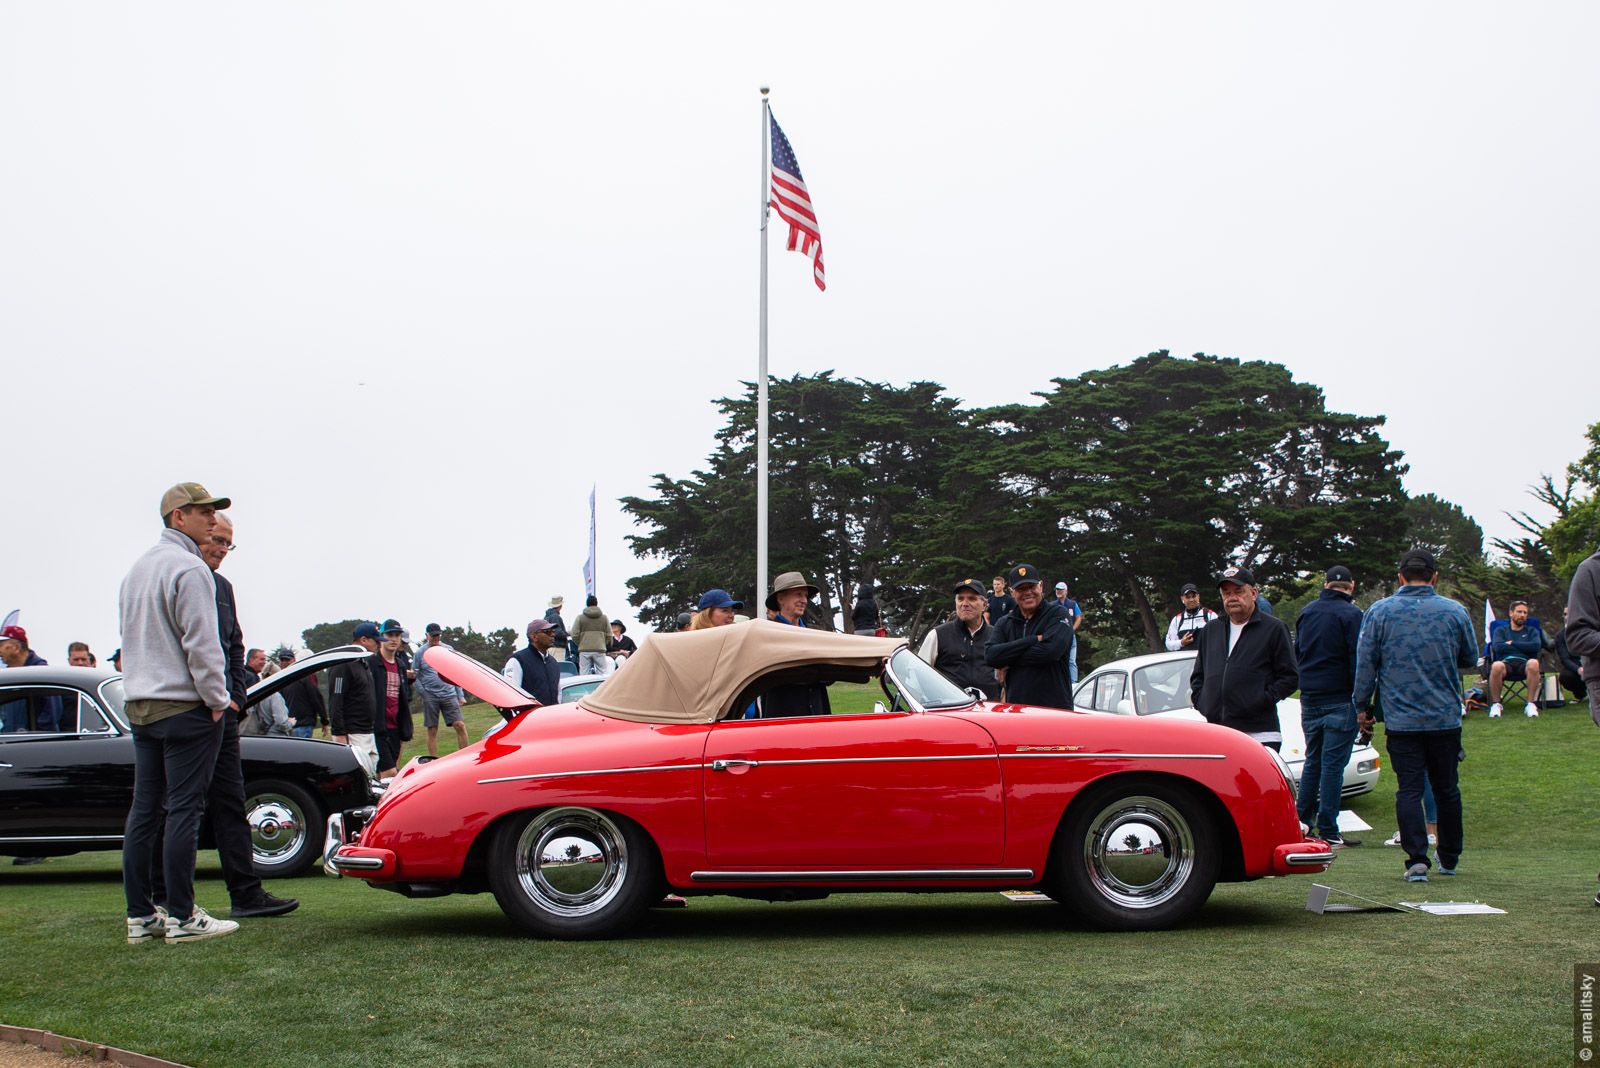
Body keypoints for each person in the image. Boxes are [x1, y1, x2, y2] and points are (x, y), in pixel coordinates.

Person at [117, 481, 238, 943]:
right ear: (177, 517)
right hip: (185, 705)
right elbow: (203, 645)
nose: (211, 519)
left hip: (142, 704)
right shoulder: (189, 568)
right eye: (202, 511)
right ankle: (183, 916)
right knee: (184, 809)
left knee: (145, 810)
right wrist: (216, 699)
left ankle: (141, 916)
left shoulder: (137, 569)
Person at [188, 514, 299, 918]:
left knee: (232, 803)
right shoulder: (181, 577)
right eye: (216, 539)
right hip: (190, 713)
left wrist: (235, 699)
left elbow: (234, 646)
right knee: (181, 807)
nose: (220, 549)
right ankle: (171, 901)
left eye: (227, 544)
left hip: (224, 715)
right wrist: (212, 699)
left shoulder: (222, 587)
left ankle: (245, 893)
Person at [1352, 547, 1478, 883]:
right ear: (1435, 576)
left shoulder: (1380, 612)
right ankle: (1449, 856)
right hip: (1444, 717)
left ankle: (1416, 859)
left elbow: (1365, 665)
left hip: (1402, 719)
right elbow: (1470, 655)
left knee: (1408, 789)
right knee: (1447, 788)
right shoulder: (1455, 611)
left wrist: (1362, 707)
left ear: (1400, 576)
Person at [1292, 565, 1364, 847]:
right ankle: (1329, 828)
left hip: (1310, 695)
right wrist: (1362, 700)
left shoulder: (1308, 611)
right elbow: (1356, 658)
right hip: (1339, 696)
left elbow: (1298, 651)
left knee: (1313, 761)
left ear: (1325, 584)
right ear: (1351, 585)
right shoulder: (1352, 614)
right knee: (1333, 765)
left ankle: (1301, 822)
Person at [1189, 566, 1298, 751]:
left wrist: (1259, 700)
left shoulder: (1274, 629)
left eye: (1238, 591)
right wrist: (1203, 702)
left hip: (1260, 733)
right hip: (1218, 732)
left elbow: (1289, 677)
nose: (1232, 597)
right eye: (1226, 593)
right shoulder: (1211, 630)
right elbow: (1199, 675)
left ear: (1254, 593)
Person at [984, 564, 1073, 710]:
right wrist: (1032, 640)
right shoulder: (1005, 622)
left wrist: (1008, 658)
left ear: (1041, 586)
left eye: (1031, 587)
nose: (1028, 592)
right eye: (1021, 589)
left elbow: (1051, 652)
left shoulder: (1058, 614)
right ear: (1012, 592)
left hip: (1056, 711)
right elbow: (990, 656)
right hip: (1017, 712)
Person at [759, 571, 831, 717]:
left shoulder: (815, 635)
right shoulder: (769, 636)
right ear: (781, 599)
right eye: (798, 594)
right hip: (783, 719)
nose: (804, 600)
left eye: (805, 595)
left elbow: (829, 676)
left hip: (817, 717)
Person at [918, 578, 1000, 700]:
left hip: (989, 713)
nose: (965, 603)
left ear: (985, 605)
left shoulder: (997, 637)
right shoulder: (937, 635)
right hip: (948, 713)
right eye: (960, 599)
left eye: (972, 598)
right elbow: (919, 674)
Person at [329, 622, 381, 778]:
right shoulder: (343, 664)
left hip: (367, 733)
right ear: (364, 640)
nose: (379, 645)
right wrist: (340, 735)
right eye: (376, 641)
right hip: (352, 734)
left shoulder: (363, 663)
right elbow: (336, 701)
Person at [414, 622, 469, 757]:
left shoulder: (448, 649)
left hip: (449, 694)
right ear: (427, 636)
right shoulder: (420, 652)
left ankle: (464, 756)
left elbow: (454, 673)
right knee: (432, 729)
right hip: (430, 695)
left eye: (438, 635)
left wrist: (460, 695)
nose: (436, 638)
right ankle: (433, 760)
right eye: (433, 636)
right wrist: (424, 693)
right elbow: (415, 675)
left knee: (460, 725)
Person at [1487, 599, 1544, 718]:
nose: (1522, 615)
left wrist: (1512, 643)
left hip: (1525, 664)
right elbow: (1498, 647)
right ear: (1511, 613)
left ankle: (1530, 704)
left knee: (1534, 663)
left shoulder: (1532, 631)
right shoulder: (1500, 630)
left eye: (1525, 613)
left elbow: (1536, 646)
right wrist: (1524, 647)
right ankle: (1496, 704)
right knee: (1496, 665)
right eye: (1519, 612)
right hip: (1506, 663)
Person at [372, 620, 414, 778]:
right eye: (390, 635)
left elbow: (403, 697)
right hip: (378, 728)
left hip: (396, 727)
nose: (394, 639)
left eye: (397, 635)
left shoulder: (401, 665)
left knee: (380, 774)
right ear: (381, 637)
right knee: (389, 772)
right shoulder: (372, 663)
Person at [0, 626, 60, 732]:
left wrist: (35, 734)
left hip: (35, 744)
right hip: (12, 743)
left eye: (1, 646)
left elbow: (51, 713)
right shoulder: (9, 676)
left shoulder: (40, 674)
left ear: (16, 648)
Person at [504, 619, 560, 707]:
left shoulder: (553, 662)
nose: (553, 635)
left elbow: (558, 694)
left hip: (552, 717)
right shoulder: (518, 660)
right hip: (530, 719)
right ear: (534, 636)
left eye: (553, 631)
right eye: (547, 632)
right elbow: (511, 695)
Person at [279, 648, 327, 739]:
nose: (284, 662)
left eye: (286, 660)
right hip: (304, 723)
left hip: (289, 725)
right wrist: (324, 720)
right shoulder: (307, 676)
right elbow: (316, 698)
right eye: (282, 660)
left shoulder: (282, 680)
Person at [1164, 584, 1217, 651]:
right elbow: (1168, 644)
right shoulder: (1177, 620)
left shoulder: (1210, 615)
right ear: (1182, 599)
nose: (1191, 600)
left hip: (1206, 659)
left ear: (1198, 596)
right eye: (1188, 597)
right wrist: (1181, 642)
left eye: (1193, 596)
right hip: (1185, 660)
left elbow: (1220, 639)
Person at [1553, 606, 1588, 705]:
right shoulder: (1560, 636)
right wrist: (1579, 669)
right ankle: (1580, 694)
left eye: (1570, 613)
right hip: (1576, 667)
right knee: (1566, 676)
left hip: (1592, 663)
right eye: (1565, 614)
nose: (1567, 617)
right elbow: (1565, 659)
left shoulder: (1589, 631)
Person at [1052, 581, 1084, 685]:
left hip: (1070, 636)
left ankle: (1073, 683)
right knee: (1056, 659)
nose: (1059, 591)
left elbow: (1079, 617)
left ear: (1066, 591)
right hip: (1057, 637)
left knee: (1071, 660)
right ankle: (1058, 681)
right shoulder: (1052, 605)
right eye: (1057, 589)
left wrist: (1072, 629)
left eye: (1061, 589)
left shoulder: (1072, 604)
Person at [572, 596, 611, 675]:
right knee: (603, 673)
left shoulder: (580, 617)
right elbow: (609, 634)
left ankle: (584, 688)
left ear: (587, 604)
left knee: (584, 674)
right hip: (600, 649)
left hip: (584, 650)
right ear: (597, 603)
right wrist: (603, 643)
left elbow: (574, 634)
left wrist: (580, 643)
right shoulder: (604, 618)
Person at [544, 596, 569, 661]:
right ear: (560, 606)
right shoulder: (555, 617)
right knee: (558, 667)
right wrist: (567, 633)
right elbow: (558, 632)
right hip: (557, 647)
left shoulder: (547, 616)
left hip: (549, 646)